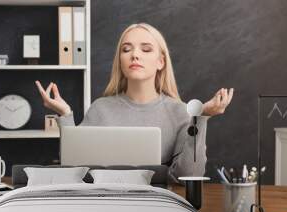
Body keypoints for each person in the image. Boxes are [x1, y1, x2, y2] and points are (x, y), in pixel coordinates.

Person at [35, 23, 233, 180]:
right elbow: (74, 171)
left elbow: (188, 176)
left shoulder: (181, 113)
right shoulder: (100, 109)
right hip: (104, 203)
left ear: (160, 62)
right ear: (120, 61)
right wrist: (66, 116)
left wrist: (201, 118)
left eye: (146, 49)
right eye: (126, 49)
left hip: (156, 206)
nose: (135, 55)